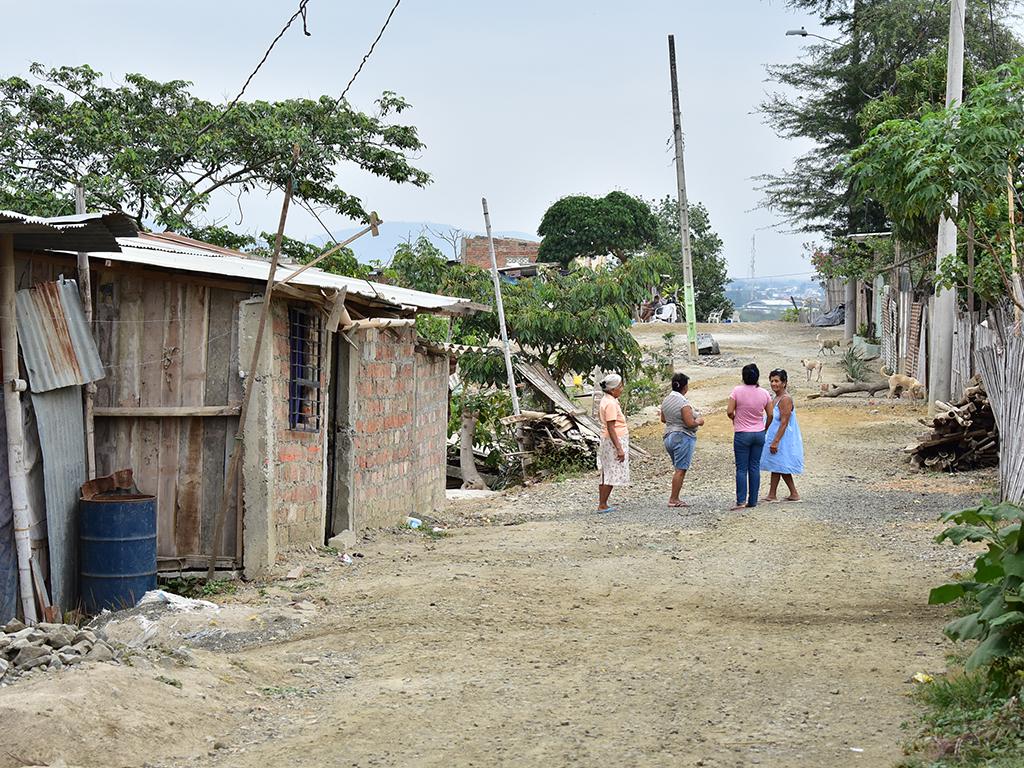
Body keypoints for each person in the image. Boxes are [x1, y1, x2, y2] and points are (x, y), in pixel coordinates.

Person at [727, 363, 772, 510]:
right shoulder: (764, 393)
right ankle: (753, 500)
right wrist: (765, 428)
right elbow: (770, 414)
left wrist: (735, 418)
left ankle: (741, 501)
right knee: (754, 466)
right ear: (757, 376)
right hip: (759, 433)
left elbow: (729, 411)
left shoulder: (737, 391)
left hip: (742, 433)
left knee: (741, 468)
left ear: (743, 376)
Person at [660, 372, 704, 508]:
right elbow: (690, 423)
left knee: (678, 468)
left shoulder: (666, 400)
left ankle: (674, 497)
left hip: (668, 436)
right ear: (685, 387)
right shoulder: (683, 403)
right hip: (682, 436)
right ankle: (674, 498)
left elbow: (663, 419)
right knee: (680, 469)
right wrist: (699, 421)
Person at [761, 368, 804, 502]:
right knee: (777, 464)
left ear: (784, 383)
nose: (774, 384)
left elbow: (784, 422)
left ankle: (791, 494)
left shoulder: (785, 399)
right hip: (776, 436)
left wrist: (776, 441)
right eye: (772, 381)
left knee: (780, 464)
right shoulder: (776, 398)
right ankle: (774, 494)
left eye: (777, 381)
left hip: (782, 437)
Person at [596, 373, 629, 513]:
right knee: (611, 472)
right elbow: (611, 427)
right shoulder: (610, 403)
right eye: (620, 386)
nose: (622, 389)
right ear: (612, 389)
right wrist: (619, 448)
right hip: (613, 440)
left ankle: (603, 503)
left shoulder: (608, 400)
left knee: (608, 471)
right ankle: (602, 504)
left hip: (609, 439)